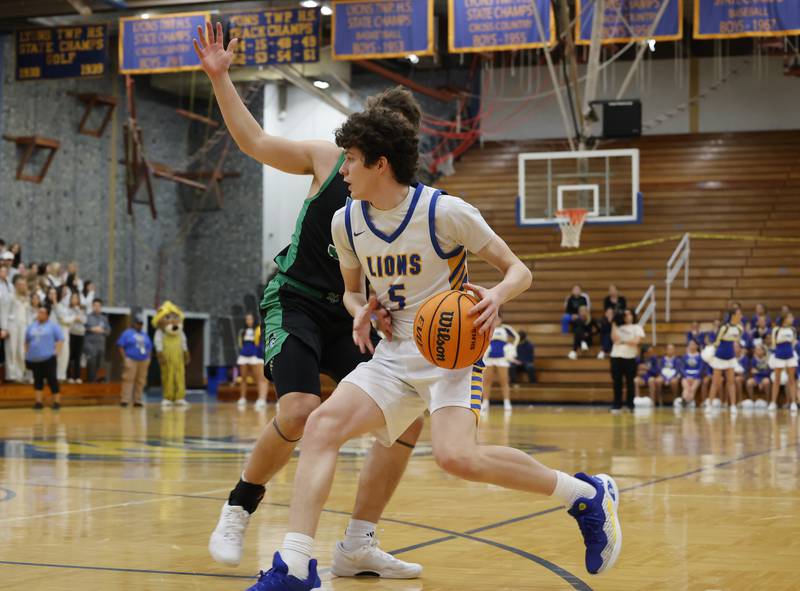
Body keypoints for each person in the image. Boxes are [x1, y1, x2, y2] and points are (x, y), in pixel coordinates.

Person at [244, 92, 621, 591]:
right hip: (396, 352)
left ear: (380, 164)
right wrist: (361, 314)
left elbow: (519, 270)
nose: (343, 172)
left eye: (352, 161)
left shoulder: (446, 213)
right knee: (321, 427)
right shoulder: (346, 220)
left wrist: (498, 296)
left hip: (453, 355)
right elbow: (353, 294)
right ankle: (294, 566)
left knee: (457, 458)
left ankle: (584, 494)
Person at [195, 22, 424, 576]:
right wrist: (220, 78)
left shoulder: (406, 198)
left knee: (408, 419)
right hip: (294, 298)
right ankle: (240, 504)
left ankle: (357, 543)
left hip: (351, 312)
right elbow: (253, 142)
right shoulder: (328, 161)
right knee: (299, 409)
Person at [705, 307, 745, 413]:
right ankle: (709, 405)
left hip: (730, 357)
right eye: (739, 314)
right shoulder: (724, 327)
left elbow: (737, 341)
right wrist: (709, 351)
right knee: (715, 382)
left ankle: (733, 405)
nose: (741, 316)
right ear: (733, 315)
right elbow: (717, 342)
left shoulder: (740, 328)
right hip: (719, 357)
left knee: (731, 382)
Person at [25, 305, 64, 409]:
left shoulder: (53, 326)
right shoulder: (32, 326)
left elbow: (60, 339)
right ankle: (38, 402)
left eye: (42, 312)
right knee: (37, 380)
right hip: (34, 359)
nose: (39, 314)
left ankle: (56, 402)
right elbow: (26, 341)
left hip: (48, 358)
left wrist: (56, 352)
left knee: (52, 380)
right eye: (38, 312)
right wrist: (27, 354)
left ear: (47, 315)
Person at [610, 309, 644, 412]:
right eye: (625, 314)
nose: (627, 316)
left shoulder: (637, 328)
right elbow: (614, 339)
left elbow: (636, 341)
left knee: (630, 382)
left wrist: (623, 341)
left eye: (629, 314)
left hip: (629, 357)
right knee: (617, 382)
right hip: (616, 356)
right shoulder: (618, 327)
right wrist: (614, 323)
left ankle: (630, 404)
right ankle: (617, 404)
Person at [117, 316, 153, 407]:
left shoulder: (145, 335)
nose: (139, 326)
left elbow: (149, 347)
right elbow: (120, 345)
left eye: (141, 324)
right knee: (128, 379)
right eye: (138, 323)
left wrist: (148, 357)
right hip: (131, 359)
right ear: (134, 324)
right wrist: (125, 358)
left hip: (143, 360)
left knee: (141, 380)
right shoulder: (127, 333)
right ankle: (125, 399)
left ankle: (138, 400)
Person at [481, 322, 517, 412]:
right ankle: (485, 402)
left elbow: (516, 337)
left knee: (504, 380)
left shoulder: (506, 328)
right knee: (487, 381)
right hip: (489, 357)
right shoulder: (488, 326)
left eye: (498, 318)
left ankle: (507, 402)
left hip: (502, 358)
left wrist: (511, 348)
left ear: (500, 319)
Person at [236, 313, 269, 410]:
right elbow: (240, 343)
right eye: (247, 319)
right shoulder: (242, 331)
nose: (249, 321)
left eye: (250, 319)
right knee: (243, 378)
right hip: (243, 355)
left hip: (255, 356)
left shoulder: (258, 329)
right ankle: (242, 398)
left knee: (259, 378)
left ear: (254, 320)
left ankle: (261, 398)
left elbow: (259, 343)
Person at [768, 313, 797, 412]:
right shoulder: (776, 329)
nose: (792, 318)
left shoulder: (793, 329)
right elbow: (773, 344)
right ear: (785, 319)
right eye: (790, 317)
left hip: (790, 356)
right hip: (779, 356)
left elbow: (793, 344)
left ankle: (793, 403)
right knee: (777, 380)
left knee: (792, 380)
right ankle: (773, 402)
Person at [2, 275, 29, 383]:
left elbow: (27, 314)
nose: (22, 286)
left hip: (23, 325)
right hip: (12, 325)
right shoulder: (9, 296)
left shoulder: (26, 298)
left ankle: (20, 374)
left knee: (21, 350)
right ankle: (11, 375)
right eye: (20, 284)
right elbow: (4, 312)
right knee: (11, 350)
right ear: (16, 285)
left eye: (24, 284)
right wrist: (4, 328)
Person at [84, 298, 111, 383]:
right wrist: (92, 329)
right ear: (92, 306)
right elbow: (83, 328)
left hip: (101, 345)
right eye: (95, 305)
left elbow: (108, 331)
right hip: (90, 345)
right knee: (91, 362)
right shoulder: (87, 317)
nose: (97, 307)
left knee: (99, 363)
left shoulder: (104, 318)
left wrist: (102, 330)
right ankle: (90, 382)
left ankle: (95, 380)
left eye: (99, 306)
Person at [675, 340, 703, 408]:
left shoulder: (700, 357)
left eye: (693, 344)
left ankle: (687, 401)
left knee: (692, 389)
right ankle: (685, 401)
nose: (692, 346)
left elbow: (701, 369)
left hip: (696, 377)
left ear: (697, 346)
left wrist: (694, 377)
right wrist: (687, 377)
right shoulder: (685, 356)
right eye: (690, 344)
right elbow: (682, 368)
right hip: (686, 376)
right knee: (686, 388)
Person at [67, 292, 87, 383]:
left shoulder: (82, 309)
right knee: (70, 355)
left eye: (76, 298)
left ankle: (77, 376)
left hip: (80, 334)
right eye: (73, 298)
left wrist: (78, 313)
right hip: (71, 333)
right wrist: (75, 318)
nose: (75, 300)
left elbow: (84, 320)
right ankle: (69, 376)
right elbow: (69, 320)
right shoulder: (68, 309)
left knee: (78, 356)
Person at [747, 344, 771, 408]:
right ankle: (752, 401)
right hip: (757, 378)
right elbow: (753, 372)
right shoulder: (753, 360)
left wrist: (759, 372)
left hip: (766, 377)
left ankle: (768, 401)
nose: (757, 351)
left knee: (766, 382)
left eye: (759, 350)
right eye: (756, 350)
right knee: (749, 382)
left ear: (763, 351)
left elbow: (768, 372)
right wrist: (759, 381)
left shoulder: (768, 359)